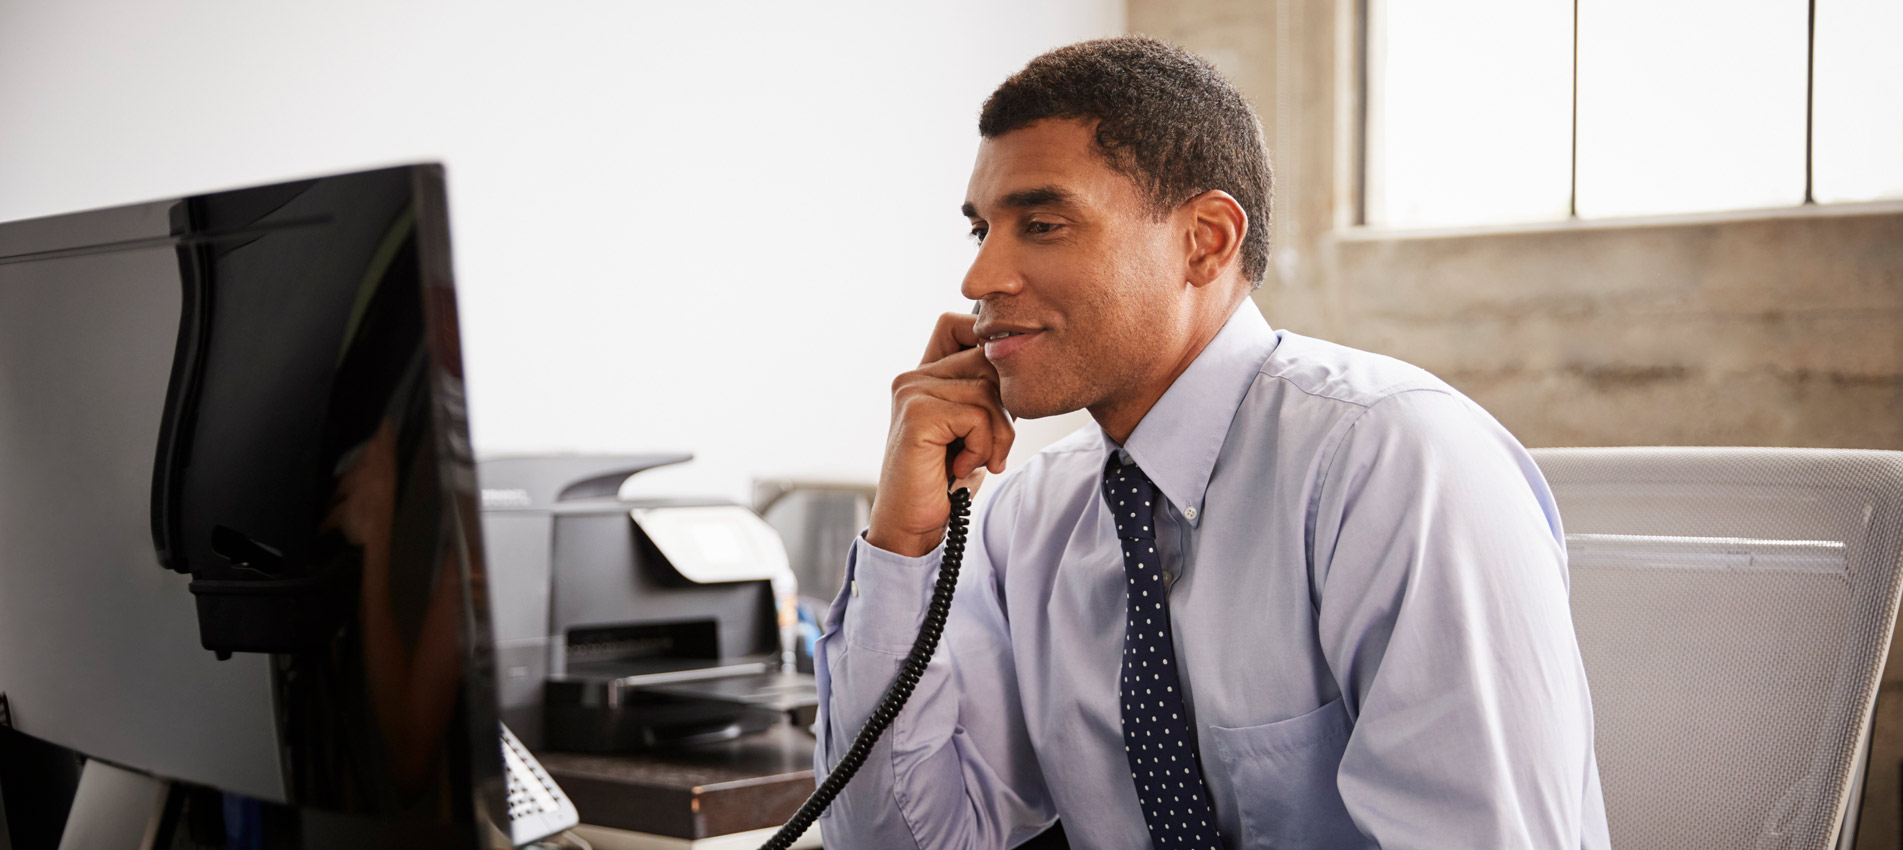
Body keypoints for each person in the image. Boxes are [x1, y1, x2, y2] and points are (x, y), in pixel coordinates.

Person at [813, 36, 1610, 849]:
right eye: (981, 230)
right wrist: (904, 541)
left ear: (1205, 240)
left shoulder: (1394, 465)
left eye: (1042, 225)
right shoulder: (1031, 519)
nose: (979, 279)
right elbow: (897, 842)